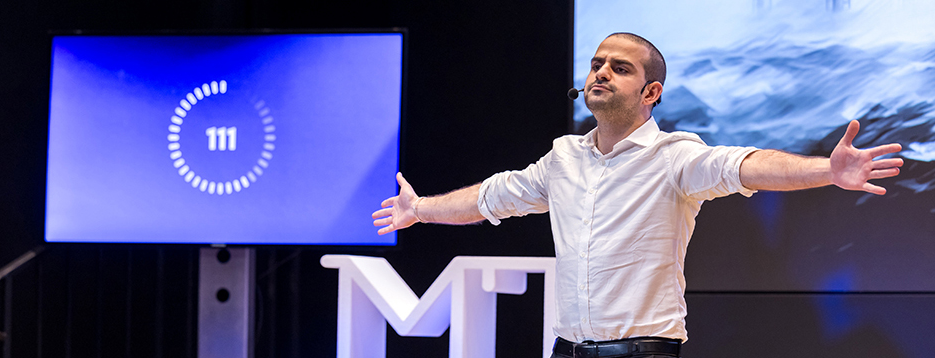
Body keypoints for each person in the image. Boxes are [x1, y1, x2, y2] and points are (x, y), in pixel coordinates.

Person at [371, 32, 903, 358]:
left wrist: (825, 171)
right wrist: (419, 210)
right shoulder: (563, 158)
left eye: (619, 68)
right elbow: (492, 198)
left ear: (651, 93)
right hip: (568, 350)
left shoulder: (675, 156)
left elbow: (746, 165)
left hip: (642, 352)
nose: (601, 72)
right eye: (598, 64)